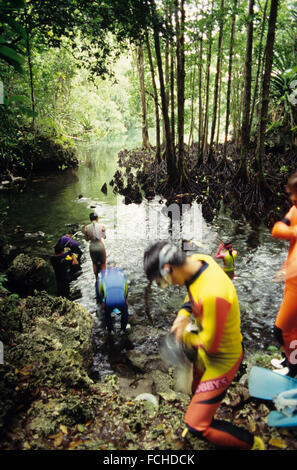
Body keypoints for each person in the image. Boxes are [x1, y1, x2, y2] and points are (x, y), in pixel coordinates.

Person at [143, 241, 264, 450]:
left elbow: (212, 345)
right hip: (205, 350)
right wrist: (182, 316)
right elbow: (192, 293)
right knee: (194, 391)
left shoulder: (213, 293)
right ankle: (205, 412)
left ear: (169, 269)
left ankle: (252, 444)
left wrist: (181, 339)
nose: (169, 285)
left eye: (164, 281)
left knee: (195, 424)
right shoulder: (200, 261)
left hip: (223, 359)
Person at [271, 171, 297, 378]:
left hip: (295, 281)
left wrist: (289, 271)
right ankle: (290, 360)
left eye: (295, 196)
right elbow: (277, 229)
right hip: (291, 280)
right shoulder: (296, 210)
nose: (291, 200)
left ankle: (293, 368)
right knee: (293, 329)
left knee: (281, 330)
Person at [96, 266, 129, 334]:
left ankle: (110, 330)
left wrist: (103, 301)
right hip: (121, 301)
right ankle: (123, 329)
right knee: (125, 313)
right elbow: (126, 291)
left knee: (107, 314)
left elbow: (99, 291)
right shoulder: (122, 277)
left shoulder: (103, 278)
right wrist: (125, 299)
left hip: (109, 302)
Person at [84, 212, 106, 279]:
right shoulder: (102, 226)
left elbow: (87, 239)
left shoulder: (86, 228)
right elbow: (104, 237)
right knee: (103, 263)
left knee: (94, 263)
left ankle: (96, 278)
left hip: (92, 247)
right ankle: (103, 279)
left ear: (90, 219)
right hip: (100, 246)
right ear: (97, 218)